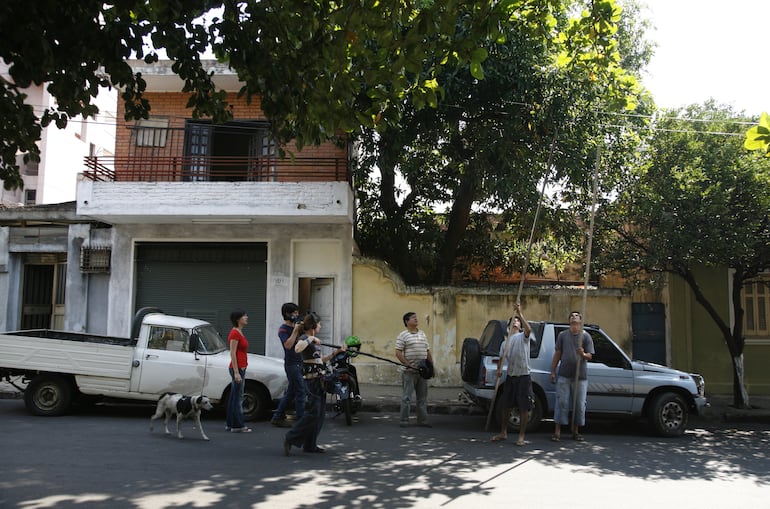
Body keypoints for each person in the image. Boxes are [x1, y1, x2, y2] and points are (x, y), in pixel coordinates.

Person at [283, 312, 346, 455]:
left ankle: (310, 445)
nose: (321, 326)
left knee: (319, 415)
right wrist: (311, 338)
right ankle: (290, 437)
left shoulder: (312, 341)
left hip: (320, 380)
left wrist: (336, 353)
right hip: (312, 381)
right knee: (313, 412)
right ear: (313, 325)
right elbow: (297, 348)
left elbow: (319, 360)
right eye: (319, 324)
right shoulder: (305, 338)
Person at [491, 302, 534, 446]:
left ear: (520, 325)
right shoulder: (505, 343)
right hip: (511, 376)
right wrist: (498, 369)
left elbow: (529, 329)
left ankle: (521, 436)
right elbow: (502, 358)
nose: (515, 322)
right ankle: (503, 432)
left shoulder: (523, 337)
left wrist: (520, 313)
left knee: (523, 407)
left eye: (517, 321)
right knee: (506, 406)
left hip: (524, 376)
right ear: (508, 326)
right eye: (513, 320)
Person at [550, 310, 594, 442]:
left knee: (579, 405)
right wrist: (553, 371)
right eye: (572, 316)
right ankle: (557, 431)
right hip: (564, 374)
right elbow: (557, 353)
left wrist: (583, 354)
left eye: (576, 316)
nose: (574, 318)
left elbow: (590, 356)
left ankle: (575, 431)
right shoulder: (563, 335)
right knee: (561, 402)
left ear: (580, 321)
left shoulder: (585, 337)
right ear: (569, 321)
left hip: (580, 376)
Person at [395, 311, 433, 428]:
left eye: (416, 317)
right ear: (407, 322)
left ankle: (422, 420)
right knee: (406, 397)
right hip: (409, 372)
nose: (416, 319)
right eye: (413, 318)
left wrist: (431, 366)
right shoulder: (403, 335)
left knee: (422, 398)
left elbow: (427, 351)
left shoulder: (422, 334)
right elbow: (398, 352)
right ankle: (404, 420)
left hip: (422, 371)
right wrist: (408, 364)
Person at [271, 302, 306, 427]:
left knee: (291, 392)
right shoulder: (283, 329)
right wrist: (295, 331)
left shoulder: (297, 327)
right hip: (291, 365)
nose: (296, 315)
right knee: (301, 391)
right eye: (294, 313)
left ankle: (278, 416)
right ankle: (301, 420)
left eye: (297, 312)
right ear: (287, 314)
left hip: (299, 362)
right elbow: (288, 345)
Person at [226, 309, 252, 433]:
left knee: (234, 397)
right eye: (244, 316)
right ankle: (238, 425)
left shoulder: (239, 332)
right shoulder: (235, 333)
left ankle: (231, 424)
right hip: (237, 368)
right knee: (237, 398)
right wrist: (236, 372)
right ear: (238, 319)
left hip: (241, 367)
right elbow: (232, 352)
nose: (246, 317)